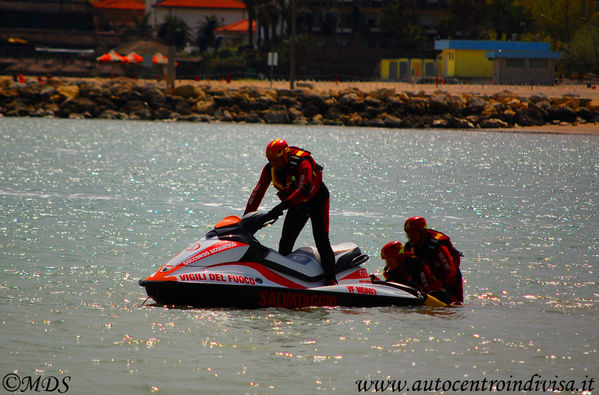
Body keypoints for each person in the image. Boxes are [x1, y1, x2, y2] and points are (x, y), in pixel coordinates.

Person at [244, 139, 337, 285]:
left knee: (321, 240)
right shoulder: (270, 169)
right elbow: (257, 192)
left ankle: (331, 280)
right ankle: (285, 280)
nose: (275, 163)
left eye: (277, 160)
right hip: (296, 204)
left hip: (317, 201)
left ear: (286, 155)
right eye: (271, 160)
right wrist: (246, 220)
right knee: (285, 242)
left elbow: (303, 189)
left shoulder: (302, 162)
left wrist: (281, 207)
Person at [402, 216, 464, 304]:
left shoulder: (437, 246)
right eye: (408, 233)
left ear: (422, 232)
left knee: (456, 304)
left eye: (413, 233)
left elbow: (451, 271)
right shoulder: (409, 247)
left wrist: (445, 290)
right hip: (431, 279)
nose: (410, 236)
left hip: (451, 279)